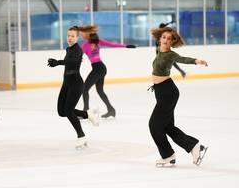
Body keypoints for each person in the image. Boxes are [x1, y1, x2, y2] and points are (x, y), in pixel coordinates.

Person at [149, 27, 208, 167]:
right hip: (161, 91)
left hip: (167, 92)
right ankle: (193, 147)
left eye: (169, 39)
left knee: (154, 125)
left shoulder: (170, 54)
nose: (165, 40)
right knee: (167, 127)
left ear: (172, 42)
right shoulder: (158, 50)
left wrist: (196, 61)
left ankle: (169, 155)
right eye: (164, 37)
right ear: (160, 39)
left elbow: (182, 59)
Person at [47, 26, 99, 150]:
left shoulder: (78, 50)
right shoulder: (69, 49)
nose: (70, 38)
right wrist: (58, 63)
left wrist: (58, 62)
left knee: (69, 111)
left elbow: (73, 62)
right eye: (68, 36)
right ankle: (87, 114)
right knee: (61, 111)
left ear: (77, 37)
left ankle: (81, 136)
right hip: (66, 84)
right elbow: (69, 61)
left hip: (76, 84)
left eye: (72, 36)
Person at [76, 25, 136, 118]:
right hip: (100, 68)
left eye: (83, 34)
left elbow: (112, 45)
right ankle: (111, 110)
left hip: (98, 68)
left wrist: (126, 46)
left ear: (88, 34)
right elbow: (77, 57)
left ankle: (85, 112)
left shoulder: (94, 43)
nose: (82, 35)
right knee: (100, 91)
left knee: (84, 89)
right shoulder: (86, 45)